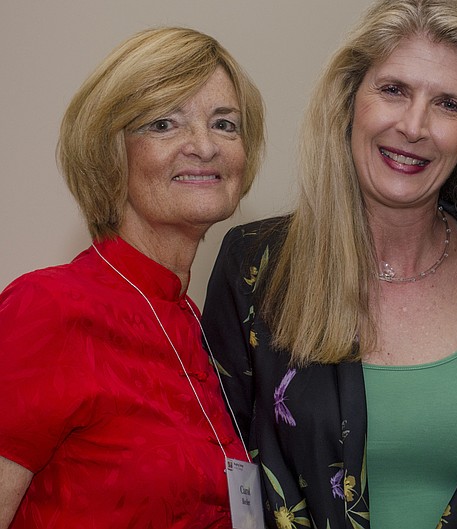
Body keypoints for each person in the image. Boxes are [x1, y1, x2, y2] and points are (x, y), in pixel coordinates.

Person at [201, 0, 457, 529]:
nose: (414, 126)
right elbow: (224, 479)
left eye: (448, 104)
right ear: (350, 102)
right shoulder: (258, 268)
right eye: (393, 90)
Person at [0, 27, 265, 528]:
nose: (204, 146)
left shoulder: (201, 329)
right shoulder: (47, 309)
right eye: (165, 124)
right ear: (110, 151)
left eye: (225, 124)